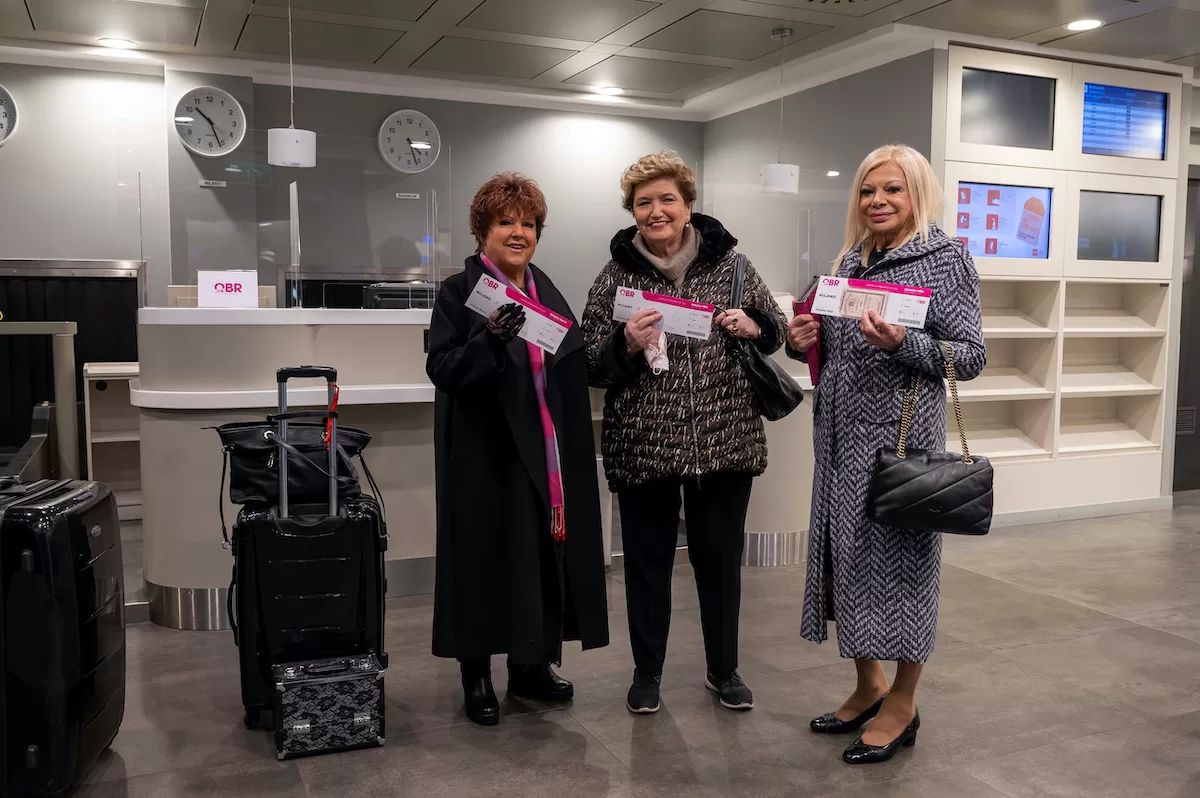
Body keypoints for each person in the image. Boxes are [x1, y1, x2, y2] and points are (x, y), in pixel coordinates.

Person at [787, 144, 985, 764]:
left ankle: (903, 701)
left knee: (902, 572)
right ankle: (868, 683)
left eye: (892, 189)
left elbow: (970, 356)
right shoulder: (849, 260)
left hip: (900, 448)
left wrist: (905, 343)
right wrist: (801, 339)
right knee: (847, 565)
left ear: (916, 193)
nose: (878, 201)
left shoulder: (946, 259)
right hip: (838, 445)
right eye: (869, 190)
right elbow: (828, 344)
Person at [582, 151, 788, 716]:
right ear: (631, 210)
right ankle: (647, 673)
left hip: (725, 440)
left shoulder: (733, 267)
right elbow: (589, 363)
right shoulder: (615, 275)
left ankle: (724, 669)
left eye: (666, 199)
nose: (656, 211)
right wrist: (624, 343)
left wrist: (754, 324)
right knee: (646, 568)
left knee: (719, 566)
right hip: (644, 445)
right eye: (643, 202)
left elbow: (774, 331)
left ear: (688, 204)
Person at [426, 173, 609, 727]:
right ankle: (477, 674)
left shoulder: (545, 290)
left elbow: (571, 364)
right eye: (505, 222)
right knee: (481, 558)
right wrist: (490, 339)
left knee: (536, 559)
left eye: (528, 224)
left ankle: (530, 665)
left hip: (540, 454)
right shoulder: (459, 292)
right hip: (483, 456)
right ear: (483, 230)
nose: (518, 232)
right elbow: (442, 368)